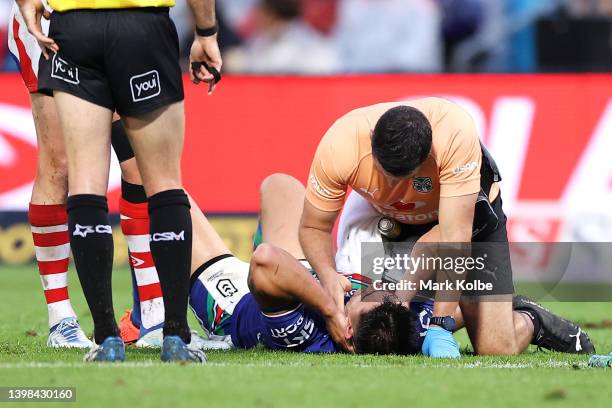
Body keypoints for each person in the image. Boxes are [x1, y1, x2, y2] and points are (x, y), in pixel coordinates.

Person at [299, 98, 595, 357]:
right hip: (387, 220)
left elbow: (454, 237)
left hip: (462, 221)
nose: (394, 187)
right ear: (372, 142)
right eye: (386, 175)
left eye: (405, 179)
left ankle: (532, 318)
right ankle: (472, 303)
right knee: (384, 328)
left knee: (495, 348)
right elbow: (313, 227)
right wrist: (329, 279)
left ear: (429, 154)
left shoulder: (454, 134)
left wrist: (440, 325)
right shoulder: (340, 144)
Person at [17, 0, 222, 363]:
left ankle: (145, 320)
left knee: (125, 174)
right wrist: (206, 31)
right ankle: (64, 318)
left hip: (78, 27)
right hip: (73, 23)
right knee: (62, 165)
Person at [7, 0, 165, 349]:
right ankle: (61, 318)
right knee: (59, 165)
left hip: (116, 17)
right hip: (49, 22)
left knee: (139, 160)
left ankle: (154, 315)